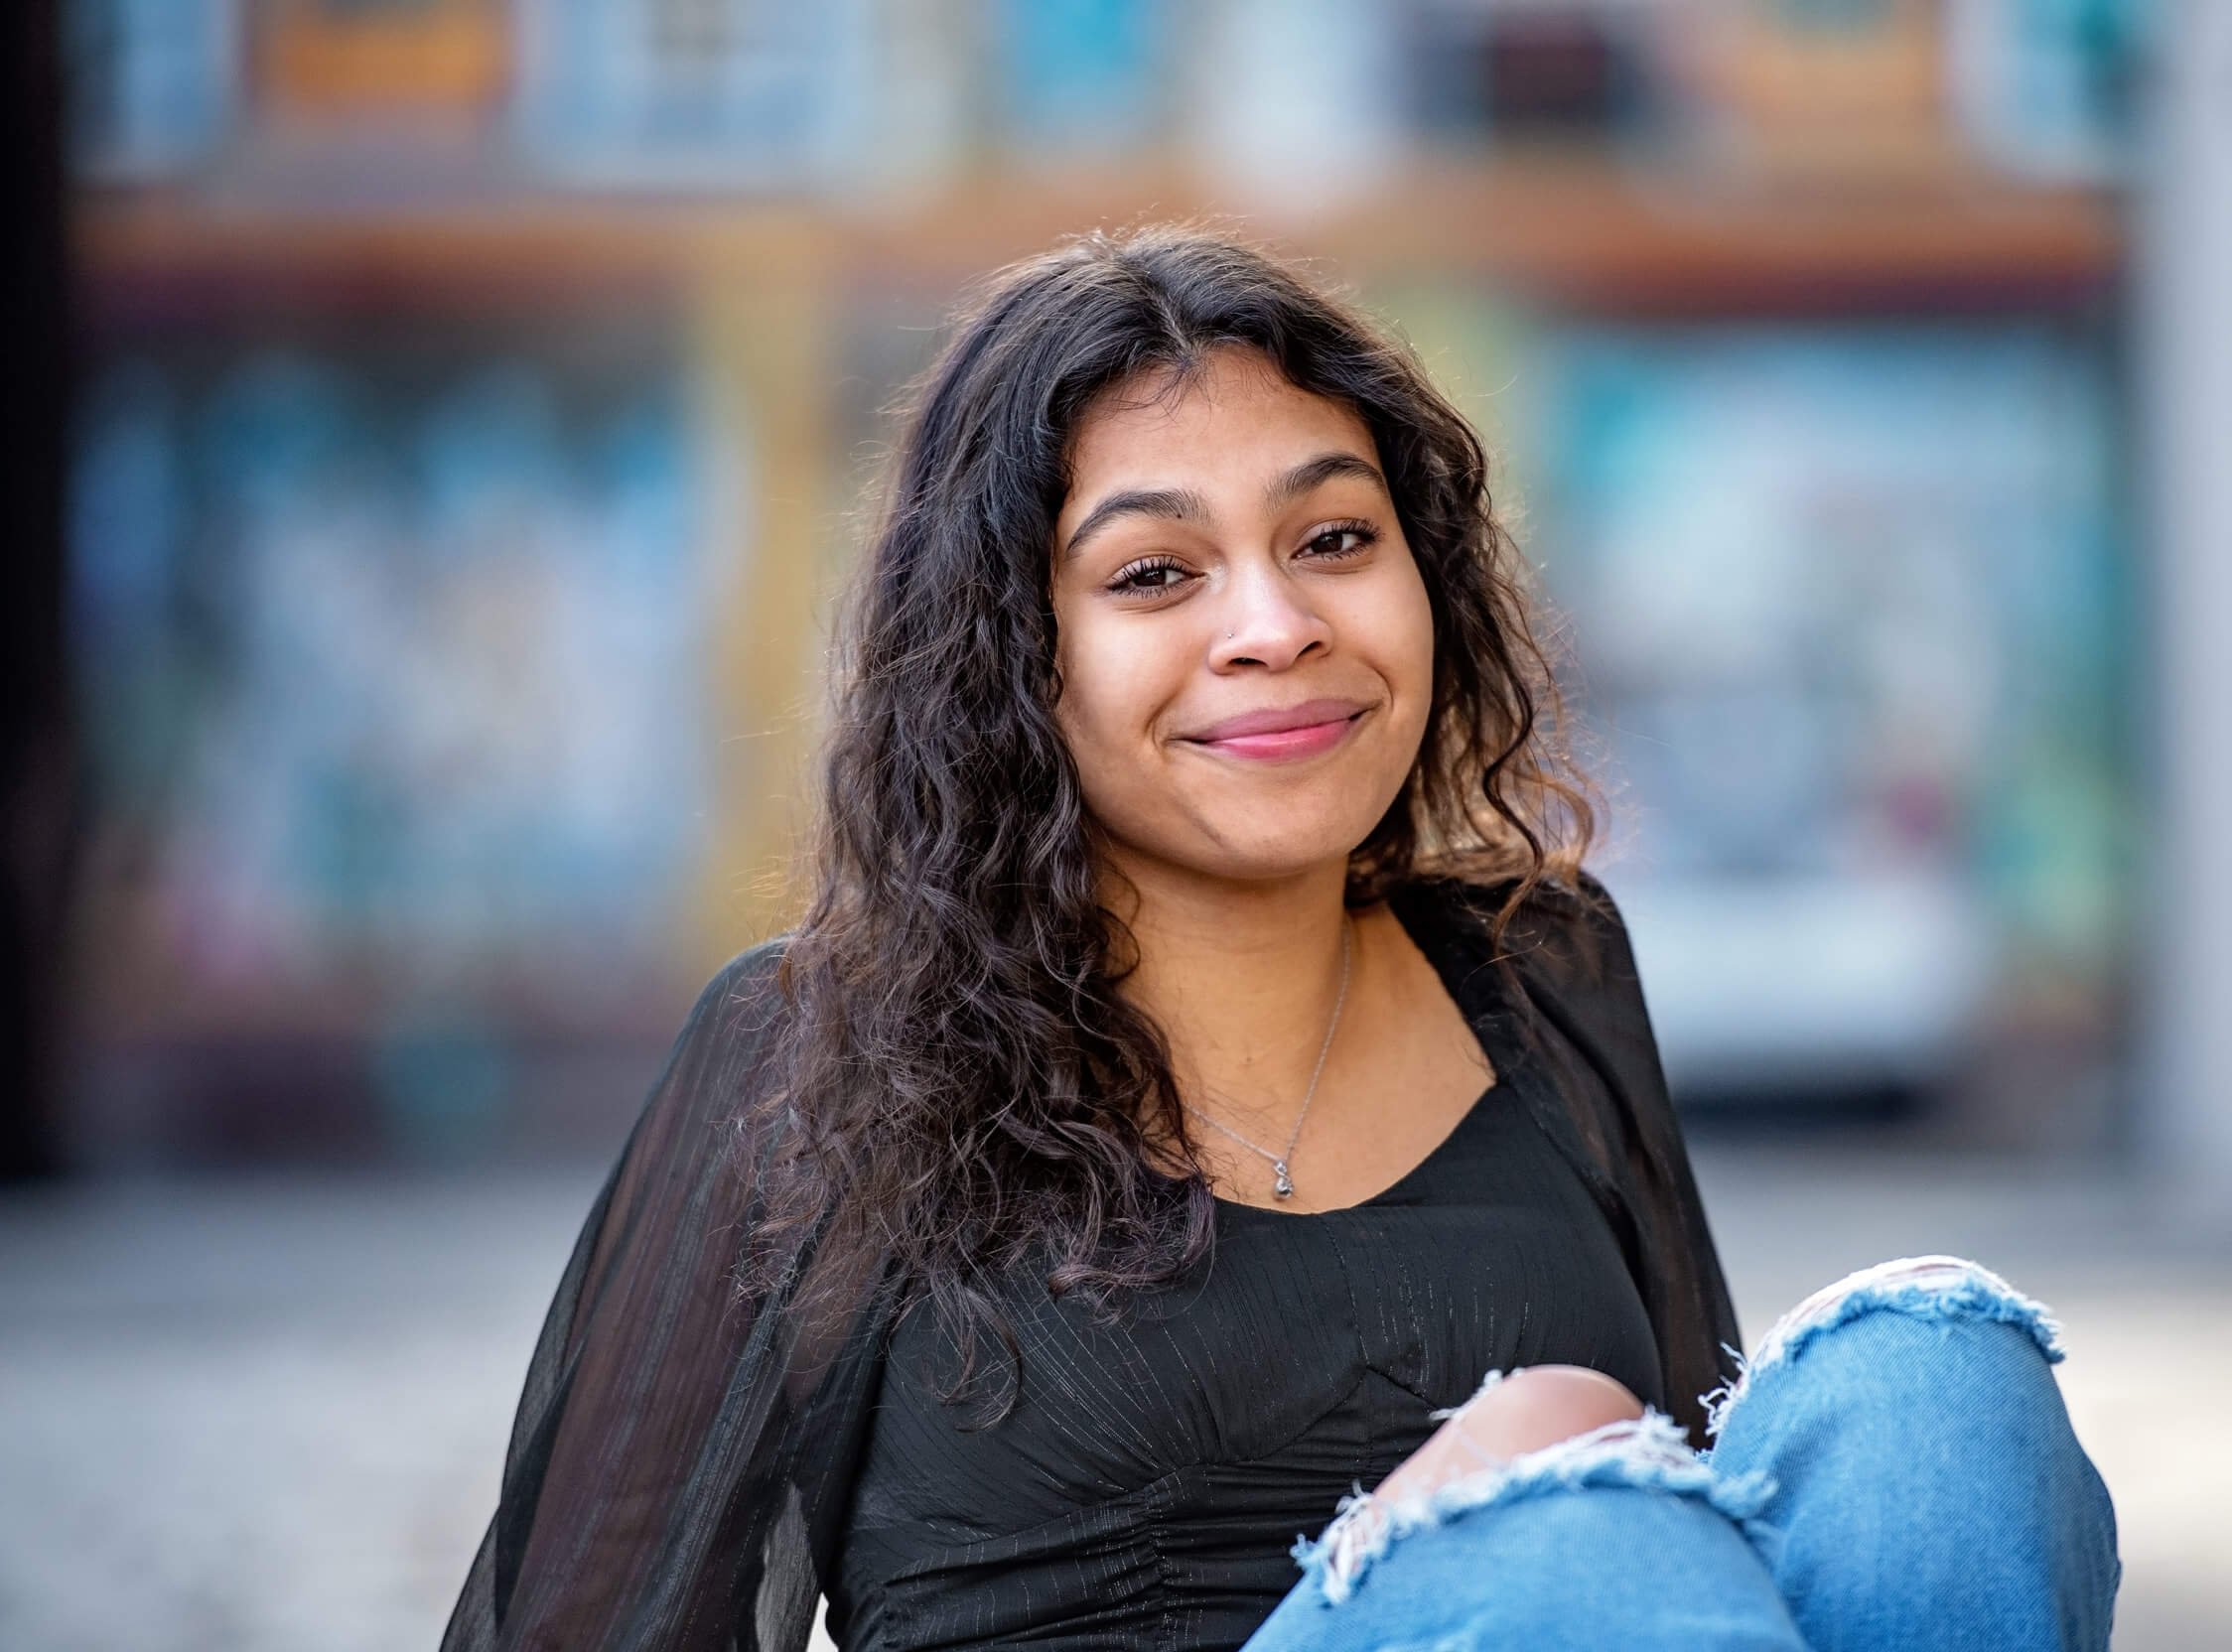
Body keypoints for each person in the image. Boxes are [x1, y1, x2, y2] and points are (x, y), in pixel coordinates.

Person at [442, 225, 2119, 1652]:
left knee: (1934, 1388)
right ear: (1013, 664)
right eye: (1157, 575)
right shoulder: (822, 1059)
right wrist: (1515, 1483)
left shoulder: (1546, 977)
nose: (1276, 626)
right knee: (1558, 1508)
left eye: (1334, 539)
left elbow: (1697, 1549)